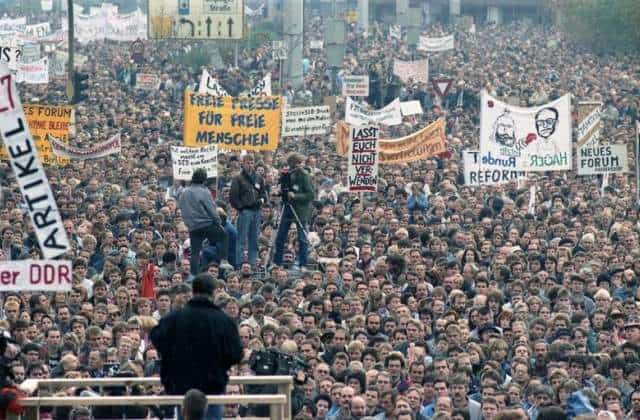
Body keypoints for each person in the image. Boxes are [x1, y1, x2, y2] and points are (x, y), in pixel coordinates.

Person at [150, 273, 243, 420]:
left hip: (181, 384)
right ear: (213, 292)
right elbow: (237, 353)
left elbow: (156, 337)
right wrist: (220, 364)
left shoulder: (174, 318)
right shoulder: (223, 320)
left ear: (192, 292)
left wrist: (173, 357)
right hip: (213, 385)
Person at [178, 168, 227, 275]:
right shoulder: (204, 191)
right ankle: (223, 261)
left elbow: (181, 208)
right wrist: (218, 222)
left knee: (195, 252)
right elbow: (211, 209)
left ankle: (194, 274)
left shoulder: (184, 192)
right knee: (223, 236)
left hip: (192, 227)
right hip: (206, 224)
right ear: (204, 179)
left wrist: (188, 223)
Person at [273, 153, 315, 268]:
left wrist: (295, 196)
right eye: (296, 163)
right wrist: (279, 192)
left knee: (302, 239)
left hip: (300, 211)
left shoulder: (304, 176)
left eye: (299, 163)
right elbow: (283, 188)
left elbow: (311, 195)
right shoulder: (286, 174)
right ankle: (277, 263)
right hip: (287, 208)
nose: (298, 165)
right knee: (280, 236)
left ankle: (303, 264)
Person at [230, 154, 267, 267]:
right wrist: (241, 208)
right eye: (247, 163)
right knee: (241, 239)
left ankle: (252, 265)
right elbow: (233, 197)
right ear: (243, 163)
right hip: (245, 211)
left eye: (252, 163)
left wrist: (261, 201)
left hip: (257, 211)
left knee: (254, 240)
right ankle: (239, 265)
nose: (250, 165)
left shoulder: (259, 178)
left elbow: (263, 194)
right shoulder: (238, 178)